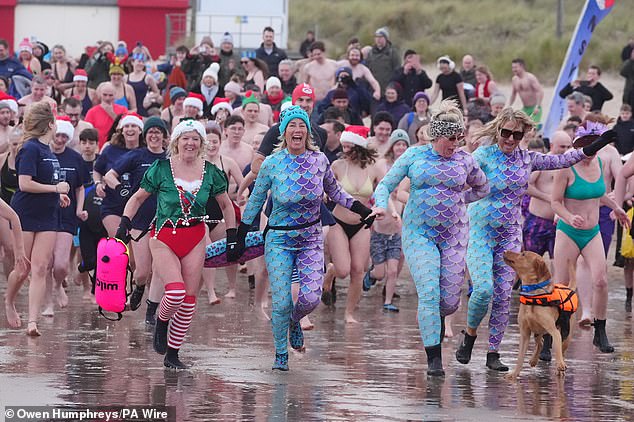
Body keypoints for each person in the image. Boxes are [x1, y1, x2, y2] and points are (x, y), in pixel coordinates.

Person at [454, 108, 614, 371]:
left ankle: (493, 352)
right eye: (506, 133)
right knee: (483, 290)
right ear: (498, 131)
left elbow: (564, 160)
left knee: (505, 294)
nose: (510, 138)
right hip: (481, 231)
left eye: (516, 134)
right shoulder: (483, 155)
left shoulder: (527, 158)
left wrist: (595, 145)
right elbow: (461, 175)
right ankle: (470, 337)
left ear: (523, 135)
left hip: (510, 233)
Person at [236, 106, 373, 371]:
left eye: (302, 126)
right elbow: (255, 201)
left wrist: (361, 210)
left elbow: (336, 193)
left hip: (310, 239)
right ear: (284, 132)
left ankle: (294, 320)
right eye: (292, 126)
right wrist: (240, 235)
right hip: (278, 240)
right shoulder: (272, 164)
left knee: (310, 299)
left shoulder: (319, 160)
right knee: (283, 300)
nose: (297, 130)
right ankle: (281, 356)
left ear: (308, 131)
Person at [372, 100, 489, 376]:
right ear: (436, 136)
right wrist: (381, 205)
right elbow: (386, 185)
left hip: (454, 235)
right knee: (428, 292)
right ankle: (433, 360)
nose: (456, 144)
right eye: (452, 139)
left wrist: (460, 198)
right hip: (419, 233)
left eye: (460, 138)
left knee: (449, 301)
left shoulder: (465, 160)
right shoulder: (414, 156)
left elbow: (482, 188)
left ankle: (435, 321)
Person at [116, 119, 237, 369]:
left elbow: (226, 204)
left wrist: (233, 234)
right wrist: (124, 223)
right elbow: (138, 198)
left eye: (195, 139)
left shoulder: (211, 172)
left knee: (189, 299)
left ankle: (173, 354)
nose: (190, 143)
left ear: (201, 143)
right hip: (164, 237)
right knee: (175, 292)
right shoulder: (161, 168)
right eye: (185, 138)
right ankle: (161, 321)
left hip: (195, 236)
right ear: (176, 141)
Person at [550, 117, 628, 354]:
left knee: (601, 280)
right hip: (569, 231)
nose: (591, 149)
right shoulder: (566, 167)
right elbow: (555, 202)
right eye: (586, 143)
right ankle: (552, 332)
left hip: (592, 231)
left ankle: (600, 330)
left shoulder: (600, 164)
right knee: (561, 285)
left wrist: (615, 207)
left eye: (595, 143)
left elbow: (598, 193)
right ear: (578, 144)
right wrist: (567, 216)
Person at [5, 102, 68, 336]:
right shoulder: (30, 148)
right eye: (55, 120)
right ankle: (9, 300)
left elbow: (47, 183)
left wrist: (58, 196)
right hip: (26, 214)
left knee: (41, 267)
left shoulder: (48, 150)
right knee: (23, 268)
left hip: (49, 214)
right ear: (50, 124)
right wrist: (54, 190)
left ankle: (32, 321)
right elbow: (24, 184)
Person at [104, 117, 167, 313]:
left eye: (158, 131)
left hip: (165, 221)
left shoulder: (171, 158)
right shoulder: (137, 156)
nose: (154, 135)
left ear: (164, 136)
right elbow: (109, 175)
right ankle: (138, 290)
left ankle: (152, 310)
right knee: (142, 272)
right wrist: (121, 188)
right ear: (145, 135)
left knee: (159, 270)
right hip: (140, 221)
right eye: (150, 132)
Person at [322, 126, 383, 323]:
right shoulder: (337, 165)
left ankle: (349, 313)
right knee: (343, 270)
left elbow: (384, 190)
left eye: (349, 145)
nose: (345, 148)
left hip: (362, 225)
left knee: (358, 270)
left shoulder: (374, 168)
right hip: (338, 222)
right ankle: (330, 272)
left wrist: (382, 208)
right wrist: (323, 195)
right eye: (344, 145)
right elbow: (325, 187)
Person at [43, 117, 89, 315]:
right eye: (58, 135)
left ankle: (58, 284)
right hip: (44, 214)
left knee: (61, 265)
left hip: (68, 215)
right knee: (46, 263)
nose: (60, 139)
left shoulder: (74, 158)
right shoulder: (42, 154)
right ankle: (48, 303)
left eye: (64, 136)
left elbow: (80, 188)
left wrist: (79, 209)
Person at [93, 113, 144, 236]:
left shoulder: (145, 151)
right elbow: (97, 170)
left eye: (134, 126)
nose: (130, 129)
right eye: (126, 126)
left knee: (134, 248)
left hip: (139, 207)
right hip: (113, 205)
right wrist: (98, 183)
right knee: (120, 241)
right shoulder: (110, 150)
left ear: (140, 130)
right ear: (121, 130)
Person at [85, 82, 128, 148]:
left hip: (118, 147)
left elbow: (126, 127)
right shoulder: (92, 112)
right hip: (98, 148)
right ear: (100, 95)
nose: (107, 98)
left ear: (115, 95)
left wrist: (112, 113)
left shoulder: (123, 110)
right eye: (105, 95)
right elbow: (87, 132)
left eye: (111, 95)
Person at [366, 27, 401, 95]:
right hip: (373, 91)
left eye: (381, 37)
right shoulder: (370, 53)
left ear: (386, 39)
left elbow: (397, 71)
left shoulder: (393, 52)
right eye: (376, 37)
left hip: (388, 91)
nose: (378, 39)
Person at [508, 58, 544, 125]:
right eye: (512, 67)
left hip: (534, 108)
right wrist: (509, 105)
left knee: (532, 126)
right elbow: (513, 94)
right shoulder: (514, 79)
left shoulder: (530, 77)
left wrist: (538, 106)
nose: (514, 69)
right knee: (519, 125)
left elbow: (539, 91)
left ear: (522, 67)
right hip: (525, 108)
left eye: (515, 67)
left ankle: (540, 128)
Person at [126, 53, 160, 117]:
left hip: (142, 110)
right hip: (129, 110)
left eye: (143, 62)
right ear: (132, 62)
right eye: (139, 61)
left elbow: (157, 92)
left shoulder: (147, 77)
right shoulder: (126, 78)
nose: (141, 64)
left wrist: (149, 97)